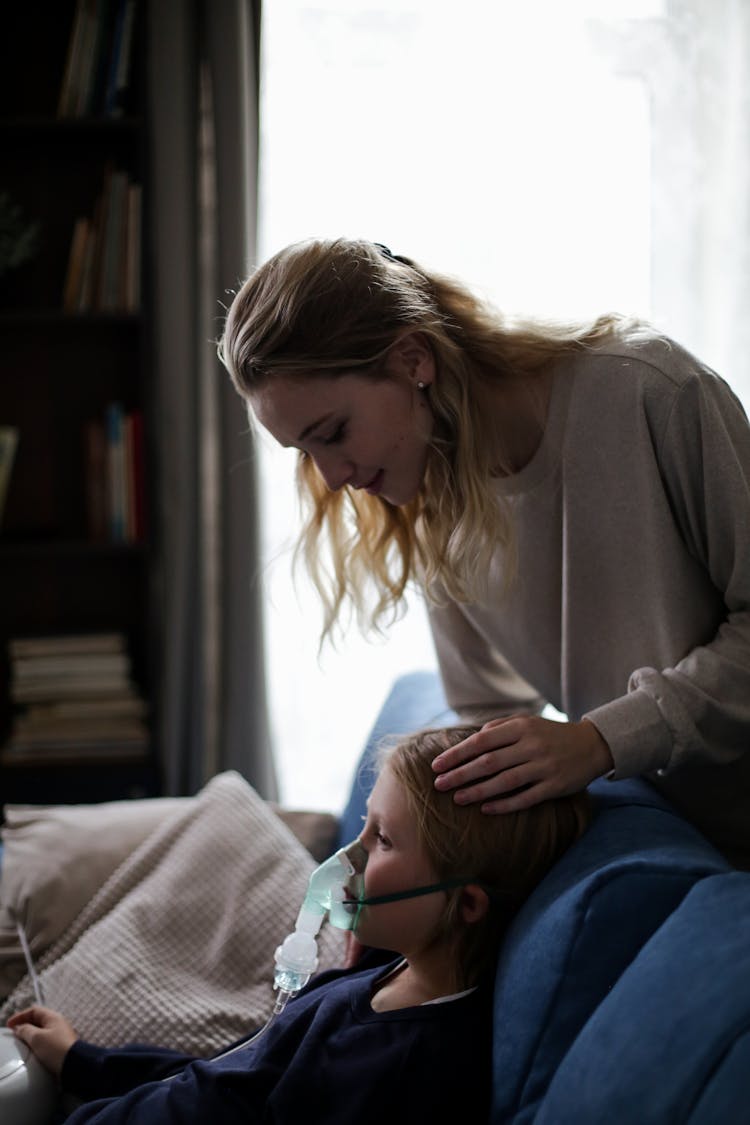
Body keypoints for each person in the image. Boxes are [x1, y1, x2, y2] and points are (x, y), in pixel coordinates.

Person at [218, 237, 750, 869]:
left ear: (413, 357)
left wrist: (601, 741)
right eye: (306, 451)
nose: (331, 477)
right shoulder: (434, 494)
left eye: (332, 433)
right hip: (679, 843)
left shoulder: (648, 392)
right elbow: (488, 716)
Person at [7, 727, 590, 1124]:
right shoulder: (381, 978)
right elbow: (229, 1071)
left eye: (381, 840)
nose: (347, 858)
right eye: (364, 826)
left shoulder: (404, 1067)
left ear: (465, 905)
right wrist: (85, 1060)